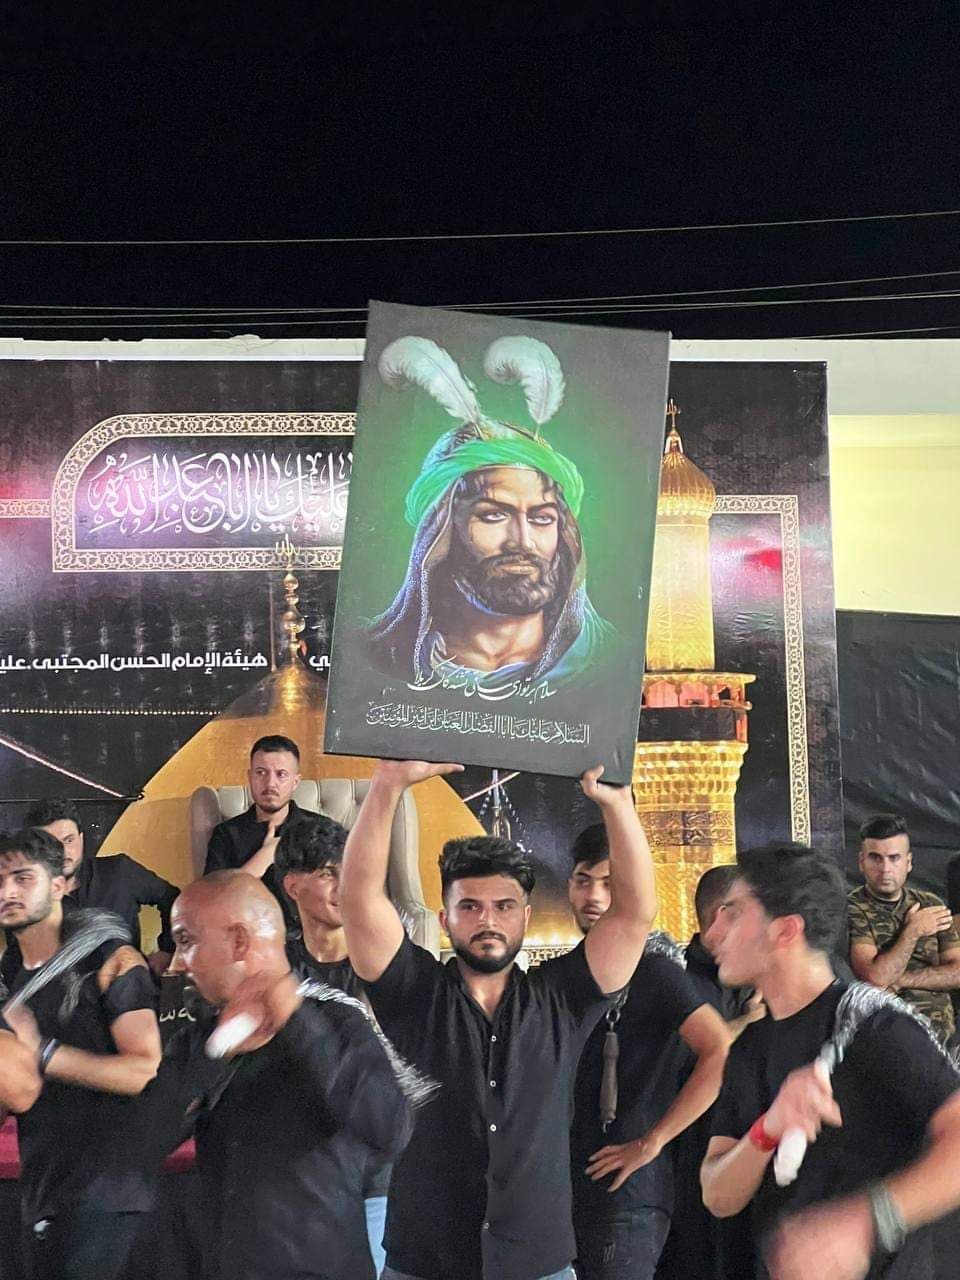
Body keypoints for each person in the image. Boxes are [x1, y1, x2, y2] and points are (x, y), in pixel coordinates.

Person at [339, 757, 657, 1280]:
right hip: (425, 1262)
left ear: (526, 917)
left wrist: (619, 805)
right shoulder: (415, 993)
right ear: (444, 919)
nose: (488, 920)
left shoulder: (563, 998)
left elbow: (634, 915)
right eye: (470, 907)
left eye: (504, 906)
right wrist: (388, 784)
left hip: (538, 1263)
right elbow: (357, 899)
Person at [701, 841, 960, 1280]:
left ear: (785, 930)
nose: (714, 932)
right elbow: (717, 1196)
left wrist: (866, 1221)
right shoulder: (748, 1048)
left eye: (733, 912)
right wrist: (767, 1130)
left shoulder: (874, 1025)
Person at [141, 870, 413, 1280]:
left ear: (239, 941)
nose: (178, 962)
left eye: (186, 940)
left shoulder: (337, 1022)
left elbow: (389, 1129)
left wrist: (298, 1024)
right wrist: (218, 1052)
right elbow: (140, 1146)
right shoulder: (197, 1040)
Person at [361, 334, 619, 697]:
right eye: (494, 515)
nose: (523, 542)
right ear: (438, 531)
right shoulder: (374, 658)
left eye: (542, 518)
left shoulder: (607, 660)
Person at [558, 824, 730, 1280]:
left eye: (609, 882)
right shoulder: (570, 974)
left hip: (627, 1199)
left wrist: (650, 1142)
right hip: (567, 1195)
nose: (594, 896)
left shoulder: (656, 971)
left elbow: (720, 1051)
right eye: (583, 880)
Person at [0, 827, 162, 1280]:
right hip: (43, 1187)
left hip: (108, 1192)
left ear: (58, 885)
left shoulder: (110, 958)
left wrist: (44, 1053)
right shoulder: (10, 971)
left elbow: (146, 1070)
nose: (7, 892)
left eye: (22, 878)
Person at [276, 817, 391, 1274]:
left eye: (349, 872)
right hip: (299, 1173)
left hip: (377, 1172)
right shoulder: (274, 970)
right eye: (328, 873)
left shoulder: (387, 963)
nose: (344, 886)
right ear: (293, 886)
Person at [23, 797, 179, 974]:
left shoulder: (119, 872)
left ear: (81, 838)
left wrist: (168, 949)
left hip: (128, 988)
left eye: (68, 840)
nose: (63, 852)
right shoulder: (24, 898)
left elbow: (172, 897)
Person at [848, 813, 960, 1044]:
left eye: (894, 858)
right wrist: (913, 930)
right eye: (876, 858)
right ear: (861, 862)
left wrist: (901, 980)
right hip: (890, 1036)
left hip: (944, 1037)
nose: (885, 868)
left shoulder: (931, 904)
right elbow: (875, 978)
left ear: (908, 863)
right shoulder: (852, 908)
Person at [204, 734, 307, 929]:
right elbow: (212, 904)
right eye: (261, 772)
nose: (270, 783)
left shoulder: (319, 830)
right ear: (249, 777)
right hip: (247, 939)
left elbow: (343, 896)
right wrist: (264, 857)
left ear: (295, 781)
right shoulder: (227, 834)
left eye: (281, 774)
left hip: (310, 940)